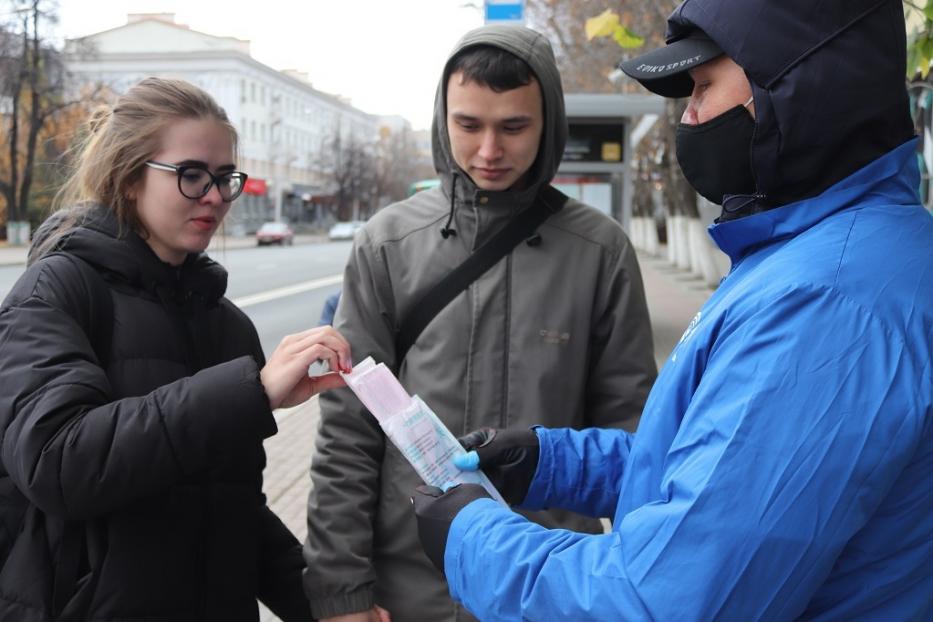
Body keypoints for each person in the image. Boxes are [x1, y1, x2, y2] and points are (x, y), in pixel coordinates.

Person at [411, 0, 933, 619]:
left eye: (703, 87)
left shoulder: (825, 304)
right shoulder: (823, 255)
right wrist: (552, 462)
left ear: (799, 88)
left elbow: (663, 601)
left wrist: (471, 537)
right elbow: (717, 470)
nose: (687, 115)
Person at [304, 25, 657, 622]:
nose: (489, 150)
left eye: (513, 126)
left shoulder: (600, 251)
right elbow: (348, 430)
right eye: (468, 125)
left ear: (548, 122)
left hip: (549, 585)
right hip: (409, 589)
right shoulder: (388, 243)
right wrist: (342, 591)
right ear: (443, 117)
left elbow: (633, 435)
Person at [0, 77, 353, 621]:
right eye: (190, 175)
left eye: (224, 178)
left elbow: (230, 507)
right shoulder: (57, 291)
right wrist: (252, 392)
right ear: (128, 176)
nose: (214, 196)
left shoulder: (226, 324)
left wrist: (330, 606)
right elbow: (58, 463)